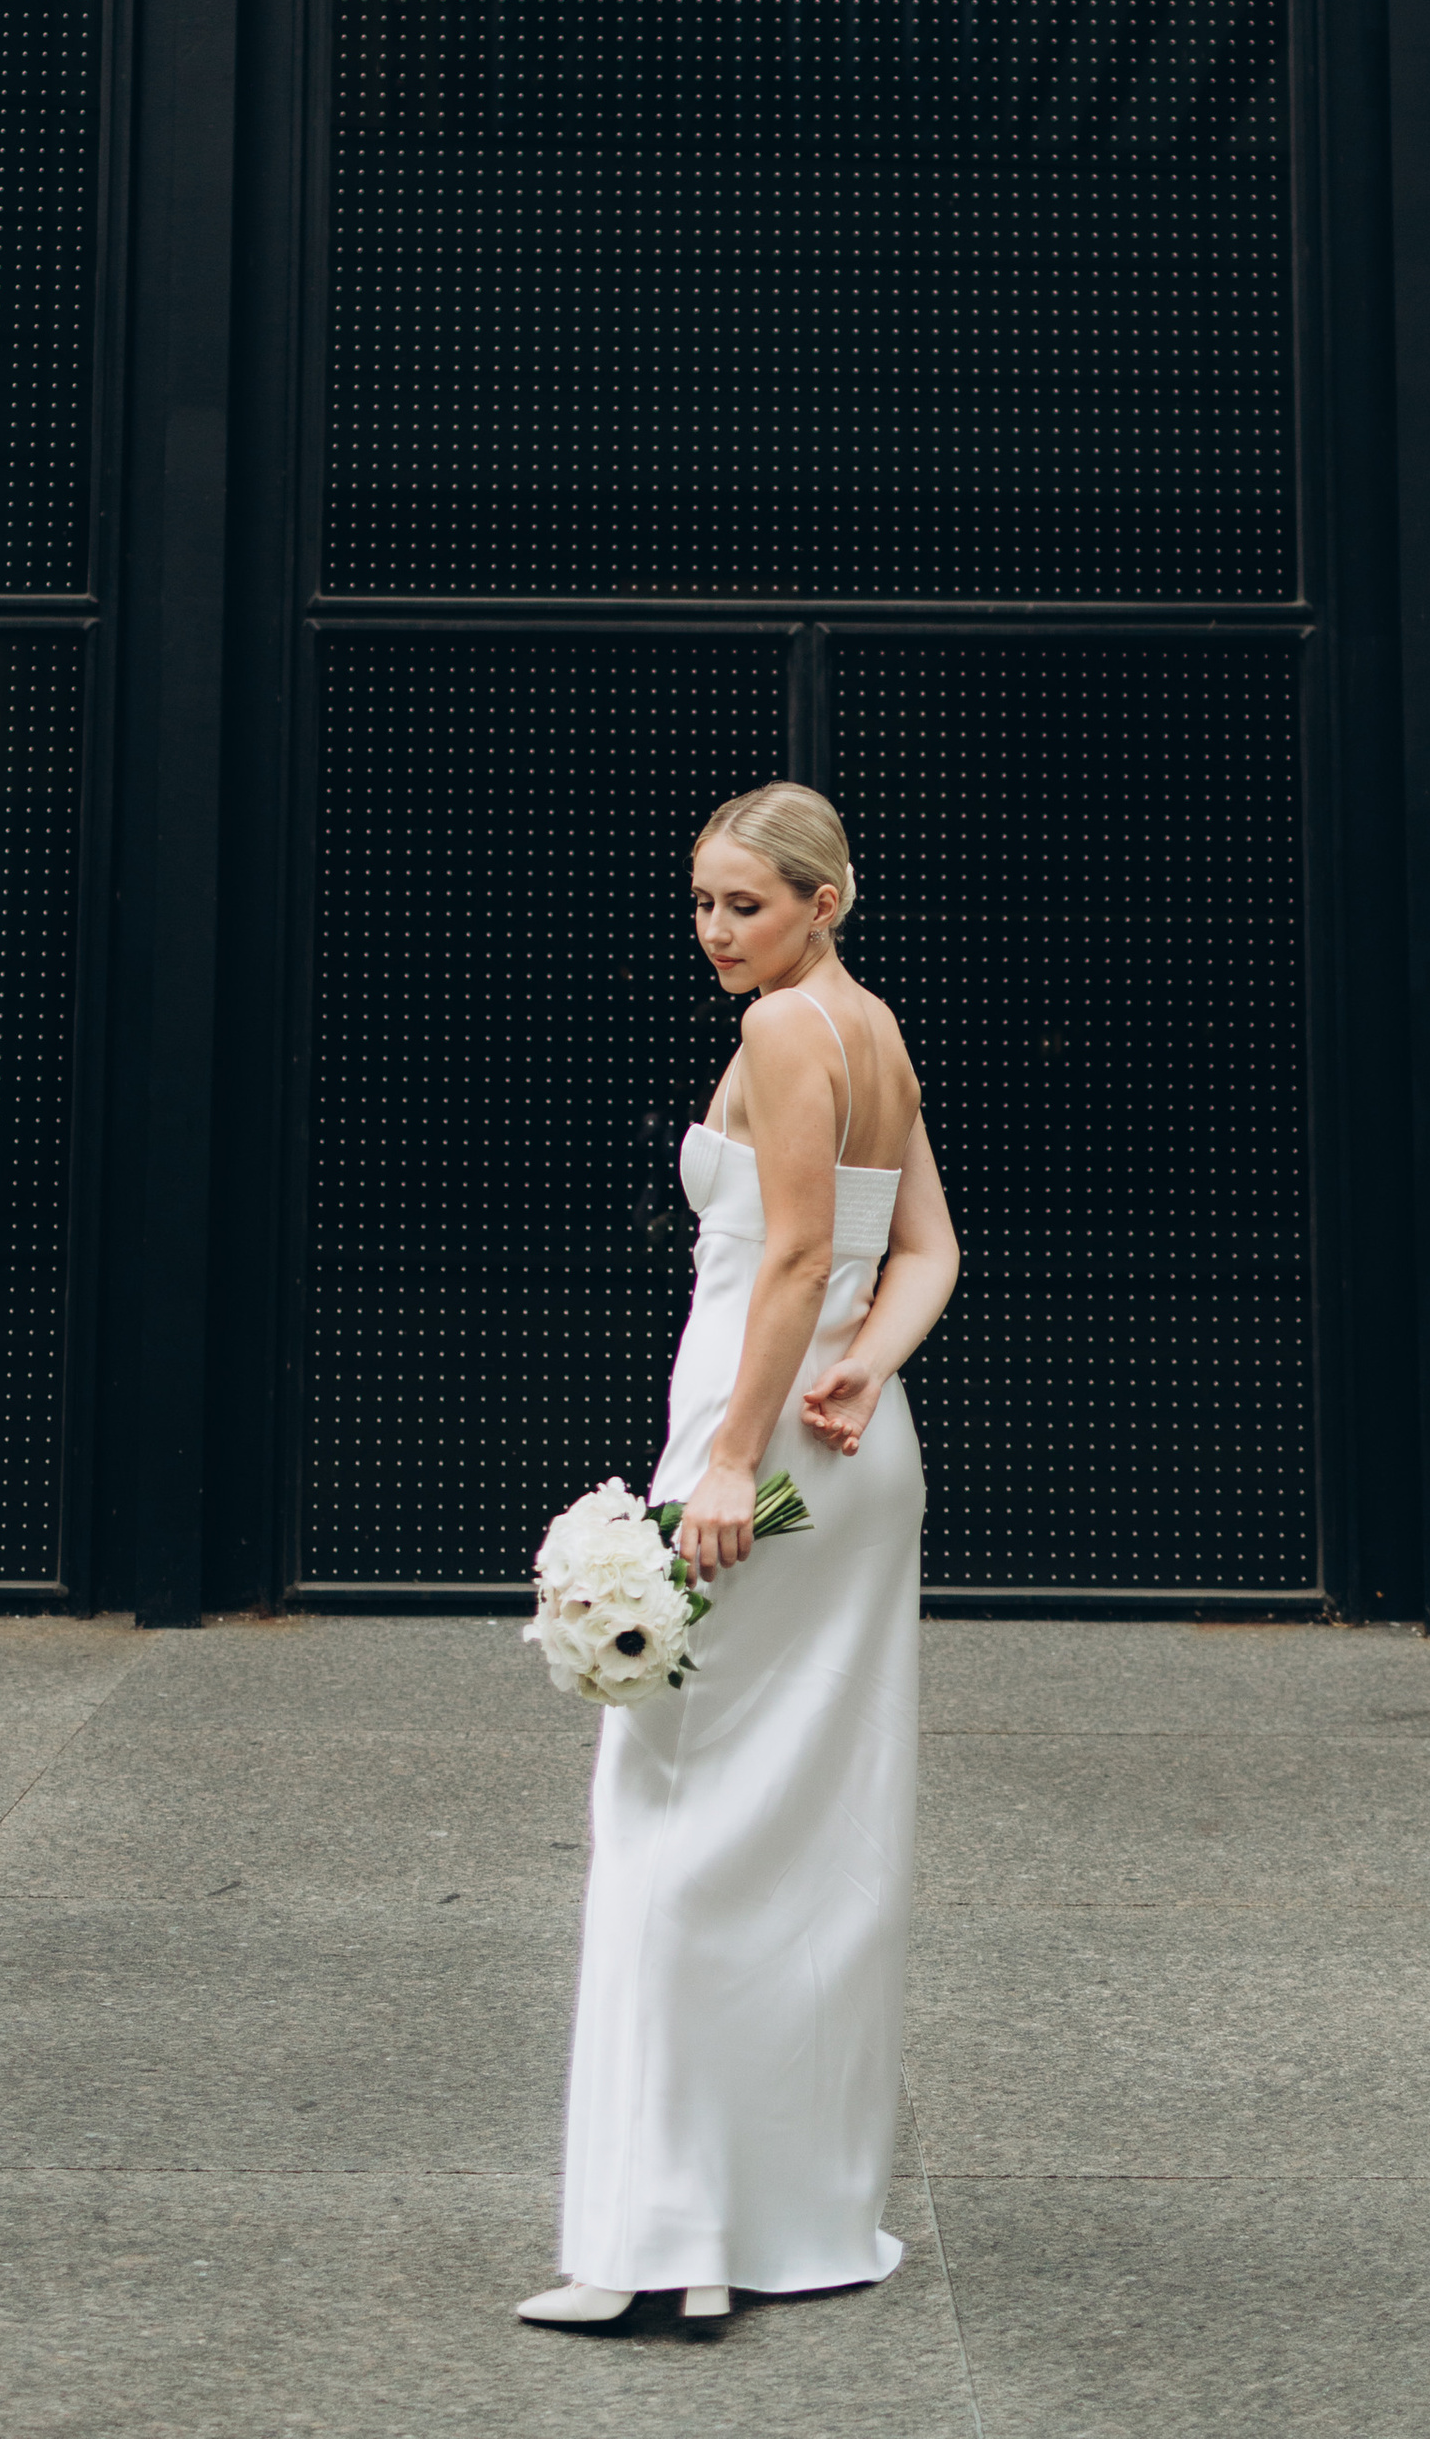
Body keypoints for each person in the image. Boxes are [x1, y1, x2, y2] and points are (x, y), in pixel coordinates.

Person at [519, 781, 961, 2334]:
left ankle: (666, 2236)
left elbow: (785, 1255)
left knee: (669, 1802)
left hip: (758, 1447)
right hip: (855, 1445)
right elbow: (927, 1252)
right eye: (702, 904)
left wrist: (727, 1454)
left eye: (745, 906)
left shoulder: (788, 1034)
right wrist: (867, 1367)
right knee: (802, 1823)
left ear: (824, 897)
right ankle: (756, 2217)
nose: (716, 933)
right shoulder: (879, 1031)